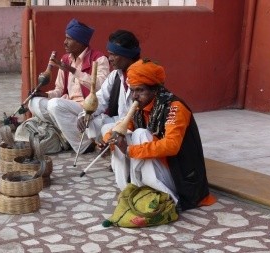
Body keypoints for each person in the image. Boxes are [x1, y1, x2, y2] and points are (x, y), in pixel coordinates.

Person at [103, 58, 216, 211]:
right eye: (133, 90)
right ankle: (129, 190)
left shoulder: (175, 107)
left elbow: (171, 146)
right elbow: (124, 126)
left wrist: (130, 151)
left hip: (181, 177)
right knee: (117, 134)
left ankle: (169, 198)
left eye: (140, 90)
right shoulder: (140, 106)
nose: (134, 96)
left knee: (140, 135)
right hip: (161, 170)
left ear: (155, 90)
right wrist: (109, 139)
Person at [28, 18, 110, 154]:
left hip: (87, 108)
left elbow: (100, 87)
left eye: (69, 39)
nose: (64, 42)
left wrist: (73, 70)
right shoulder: (66, 59)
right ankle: (66, 133)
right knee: (34, 102)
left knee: (55, 105)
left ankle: (83, 145)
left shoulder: (99, 59)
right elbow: (59, 90)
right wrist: (45, 94)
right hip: (68, 106)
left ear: (80, 42)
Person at [77, 30, 140, 145]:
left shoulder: (142, 77)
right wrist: (86, 114)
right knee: (90, 122)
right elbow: (100, 98)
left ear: (127, 55)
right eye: (109, 54)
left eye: (114, 54)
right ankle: (101, 146)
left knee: (107, 129)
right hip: (119, 120)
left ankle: (118, 152)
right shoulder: (115, 75)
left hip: (135, 125)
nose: (109, 59)